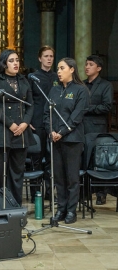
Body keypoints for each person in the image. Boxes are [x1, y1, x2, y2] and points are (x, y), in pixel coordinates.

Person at [0, 49, 35, 206]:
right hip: (3, 131)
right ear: (4, 63)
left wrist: (25, 123)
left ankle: (15, 207)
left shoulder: (24, 80)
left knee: (17, 173)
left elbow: (31, 106)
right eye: (12, 60)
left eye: (17, 60)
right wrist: (11, 124)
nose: (16, 63)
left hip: (21, 132)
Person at [44, 57, 89, 224]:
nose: (58, 71)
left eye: (62, 68)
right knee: (59, 177)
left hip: (72, 140)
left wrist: (61, 132)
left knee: (71, 177)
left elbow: (76, 117)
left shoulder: (80, 90)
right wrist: (51, 132)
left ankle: (71, 211)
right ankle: (61, 209)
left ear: (72, 69)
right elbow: (46, 114)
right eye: (57, 68)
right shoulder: (55, 90)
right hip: (55, 139)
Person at [28, 45, 59, 202]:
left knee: (51, 158)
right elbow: (29, 101)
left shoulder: (57, 77)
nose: (49, 59)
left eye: (51, 56)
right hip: (37, 122)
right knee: (37, 158)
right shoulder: (33, 77)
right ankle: (35, 193)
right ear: (40, 58)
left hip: (53, 122)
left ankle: (48, 191)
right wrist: (29, 120)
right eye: (46, 56)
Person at [83, 55, 113, 205]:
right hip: (81, 127)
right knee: (84, 159)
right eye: (86, 64)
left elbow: (107, 106)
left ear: (99, 68)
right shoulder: (81, 84)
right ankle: (85, 192)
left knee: (98, 160)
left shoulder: (106, 85)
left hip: (96, 127)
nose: (87, 67)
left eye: (90, 64)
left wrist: (88, 109)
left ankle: (101, 193)